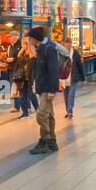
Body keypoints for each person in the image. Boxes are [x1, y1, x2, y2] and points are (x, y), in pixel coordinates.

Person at [27, 26, 61, 154]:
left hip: (47, 88)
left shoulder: (48, 49)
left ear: (34, 39)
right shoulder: (41, 49)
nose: (29, 40)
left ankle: (45, 141)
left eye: (30, 38)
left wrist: (52, 89)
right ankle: (52, 142)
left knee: (41, 114)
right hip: (43, 87)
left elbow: (53, 70)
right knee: (49, 115)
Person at [11, 43, 37, 118]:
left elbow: (34, 67)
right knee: (22, 96)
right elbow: (17, 66)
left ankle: (38, 110)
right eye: (22, 44)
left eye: (23, 44)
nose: (22, 45)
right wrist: (14, 76)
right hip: (21, 78)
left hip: (30, 78)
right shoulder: (21, 54)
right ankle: (25, 113)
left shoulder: (33, 55)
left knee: (31, 95)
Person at [62, 36, 86, 118]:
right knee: (65, 95)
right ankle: (67, 110)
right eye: (66, 44)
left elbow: (80, 66)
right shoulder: (62, 53)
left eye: (69, 44)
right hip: (64, 78)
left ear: (71, 44)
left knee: (71, 94)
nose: (68, 45)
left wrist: (83, 78)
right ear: (64, 44)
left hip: (73, 77)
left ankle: (70, 111)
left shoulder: (75, 53)